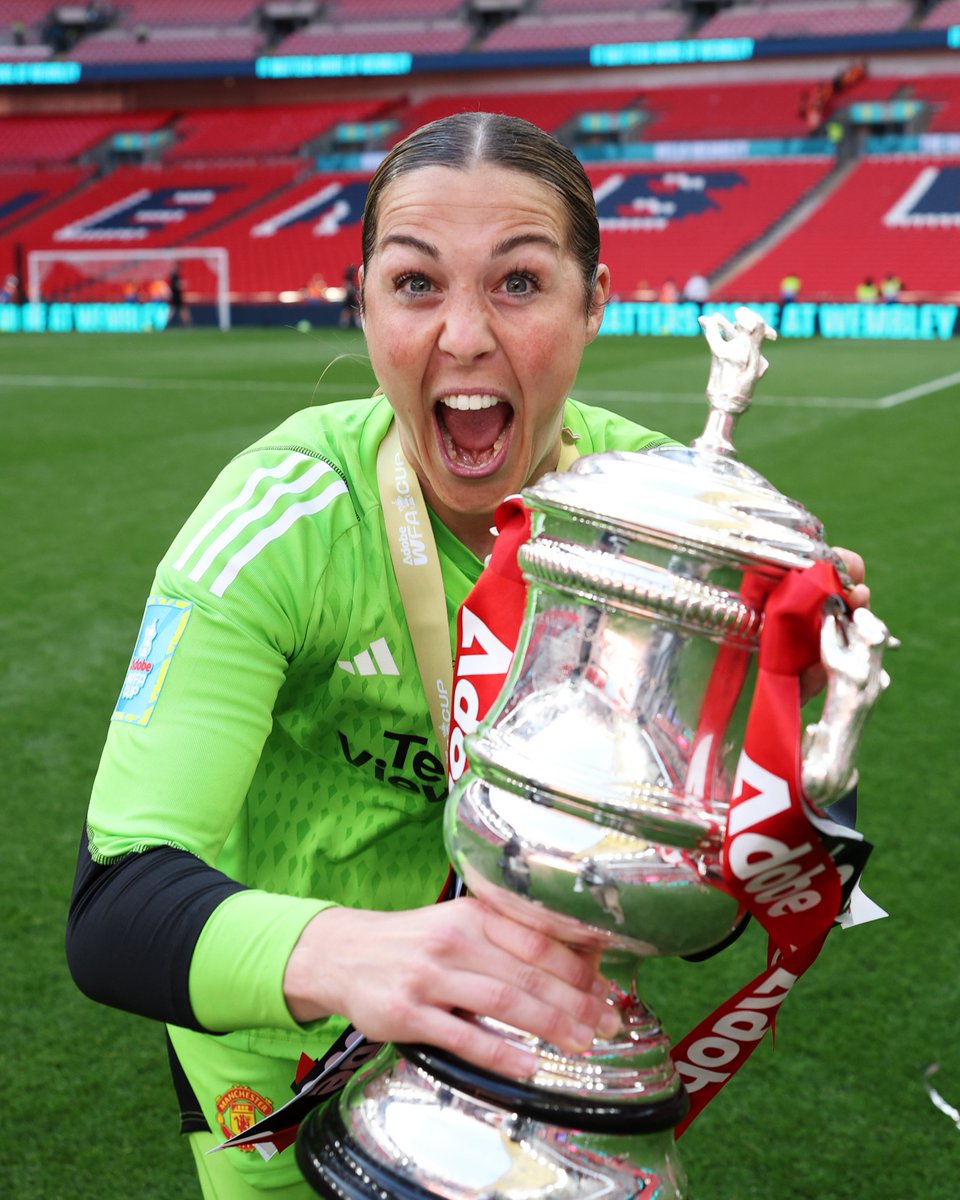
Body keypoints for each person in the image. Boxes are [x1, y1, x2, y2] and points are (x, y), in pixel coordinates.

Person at [66, 112, 870, 1199]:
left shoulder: (670, 529)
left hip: (540, 1085)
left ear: (595, 303)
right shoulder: (287, 517)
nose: (463, 337)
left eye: (520, 284)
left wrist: (764, 721)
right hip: (280, 1063)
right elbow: (115, 901)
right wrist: (358, 958)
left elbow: (706, 902)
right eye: (414, 285)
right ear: (362, 303)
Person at [339, 262, 360, 328]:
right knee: (348, 312)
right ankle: (345, 325)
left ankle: (357, 325)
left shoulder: (349, 279)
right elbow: (347, 288)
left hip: (350, 297)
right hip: (349, 297)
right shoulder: (348, 279)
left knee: (352, 312)